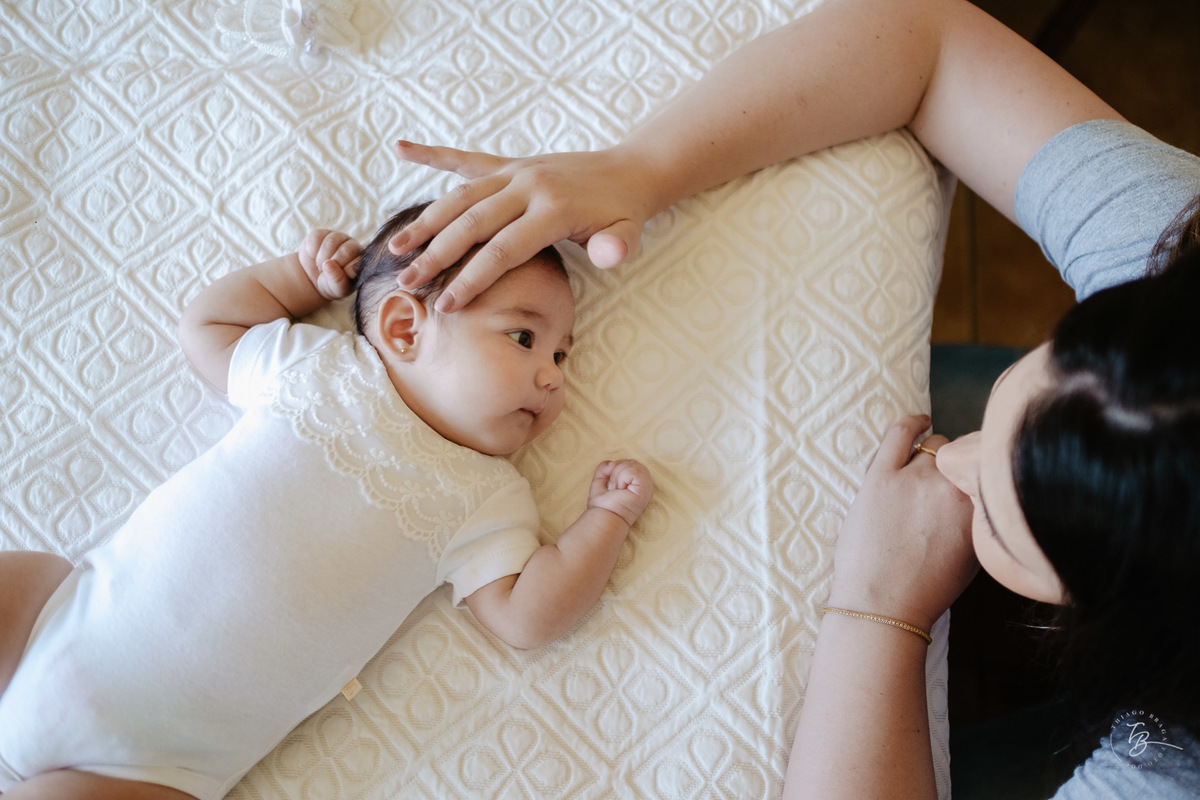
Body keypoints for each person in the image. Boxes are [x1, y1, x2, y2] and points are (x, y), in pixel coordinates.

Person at [374, 0, 1200, 796]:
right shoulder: (1172, 272)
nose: (956, 455)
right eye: (1023, 385)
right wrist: (641, 167)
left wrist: (881, 606)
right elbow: (926, 37)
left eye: (994, 517)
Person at [0, 203, 654, 800]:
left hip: (154, 767)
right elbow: (209, 326)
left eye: (563, 355)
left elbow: (526, 617)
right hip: (53, 621)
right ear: (403, 327)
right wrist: (301, 278)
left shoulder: (486, 498)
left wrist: (606, 521)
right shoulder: (316, 367)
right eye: (525, 338)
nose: (553, 377)